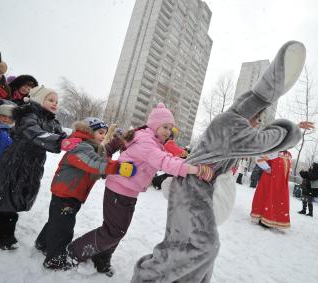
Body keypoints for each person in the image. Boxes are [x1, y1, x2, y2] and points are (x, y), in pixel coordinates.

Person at [131, 41, 308, 282]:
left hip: (195, 187)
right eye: (258, 120)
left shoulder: (233, 124)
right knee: (202, 247)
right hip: (191, 188)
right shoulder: (231, 124)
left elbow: (259, 142)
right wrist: (292, 129)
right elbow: (263, 142)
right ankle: (146, 277)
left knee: (189, 246)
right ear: (251, 116)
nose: (257, 126)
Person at [66, 103, 211, 276]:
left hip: (127, 191)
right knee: (113, 230)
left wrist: (190, 162)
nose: (167, 131)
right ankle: (75, 252)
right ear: (154, 124)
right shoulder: (146, 142)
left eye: (170, 128)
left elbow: (168, 156)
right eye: (165, 126)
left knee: (117, 230)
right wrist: (196, 169)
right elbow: (165, 162)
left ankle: (101, 260)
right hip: (119, 190)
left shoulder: (154, 142)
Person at [35, 117, 135, 270]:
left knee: (57, 221)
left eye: (105, 133)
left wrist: (116, 147)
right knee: (64, 227)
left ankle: (43, 243)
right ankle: (54, 259)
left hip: (72, 192)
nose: (103, 136)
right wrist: (117, 167)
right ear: (89, 131)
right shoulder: (81, 145)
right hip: (66, 192)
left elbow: (101, 165)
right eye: (100, 132)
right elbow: (94, 163)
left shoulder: (93, 147)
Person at [0, 85, 66, 250]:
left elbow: (62, 135)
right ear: (38, 99)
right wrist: (59, 141)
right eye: (50, 100)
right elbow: (34, 132)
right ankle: (5, 237)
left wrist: (75, 140)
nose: (55, 104)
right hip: (15, 162)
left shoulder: (51, 121)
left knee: (7, 194)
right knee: (9, 198)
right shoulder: (28, 115)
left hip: (32, 165)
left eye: (57, 101)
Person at [251, 151, 293, 228]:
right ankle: (263, 218)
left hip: (281, 183)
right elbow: (259, 157)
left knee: (277, 200)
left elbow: (288, 167)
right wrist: (266, 167)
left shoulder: (289, 155)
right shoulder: (274, 151)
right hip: (269, 179)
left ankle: (274, 219)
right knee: (267, 197)